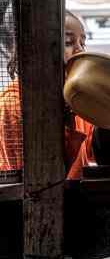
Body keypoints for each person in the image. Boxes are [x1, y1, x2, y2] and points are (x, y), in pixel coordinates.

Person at [0, 10, 95, 179]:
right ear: (39, 49)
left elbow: (91, 148)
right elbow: (29, 178)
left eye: (82, 43)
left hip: (78, 195)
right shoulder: (14, 103)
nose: (80, 50)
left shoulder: (73, 95)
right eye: (68, 42)